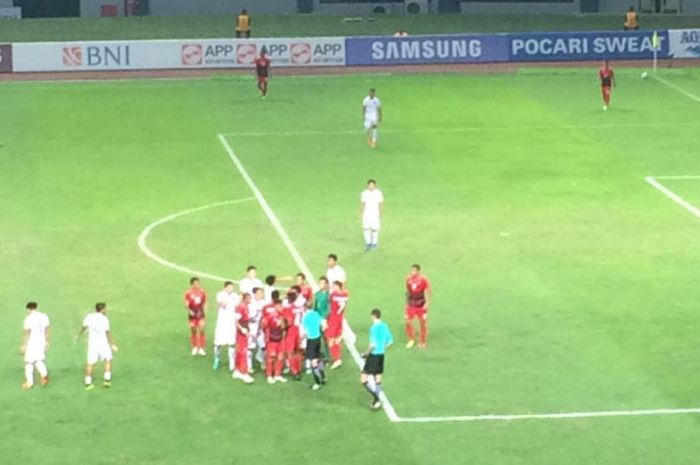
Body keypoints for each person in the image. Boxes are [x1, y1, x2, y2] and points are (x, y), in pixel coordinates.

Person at [76, 303, 118, 390]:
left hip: (92, 344)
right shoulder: (104, 319)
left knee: (90, 362)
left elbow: (84, 327)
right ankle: (107, 380)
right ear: (102, 309)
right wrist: (112, 344)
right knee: (108, 359)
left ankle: (88, 383)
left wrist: (78, 335)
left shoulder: (89, 317)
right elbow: (107, 333)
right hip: (103, 343)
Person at [361, 308, 393, 410]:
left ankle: (377, 399)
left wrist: (366, 353)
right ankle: (378, 399)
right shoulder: (385, 326)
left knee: (363, 379)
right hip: (381, 355)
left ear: (373, 316)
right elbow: (390, 341)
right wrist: (382, 348)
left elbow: (373, 344)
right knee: (378, 379)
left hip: (373, 355)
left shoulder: (374, 328)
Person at [20, 302, 50, 389]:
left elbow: (27, 333)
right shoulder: (44, 316)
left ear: (29, 309)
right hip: (41, 339)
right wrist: (47, 341)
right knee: (38, 359)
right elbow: (47, 328)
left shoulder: (28, 319)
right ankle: (44, 376)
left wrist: (24, 345)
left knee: (29, 362)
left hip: (32, 341)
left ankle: (29, 383)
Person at [213, 281, 239, 371]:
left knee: (232, 344)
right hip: (222, 323)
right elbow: (221, 304)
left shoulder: (235, 296)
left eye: (232, 287)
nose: (231, 289)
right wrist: (229, 301)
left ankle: (232, 363)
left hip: (231, 323)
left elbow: (238, 305)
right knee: (218, 344)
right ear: (225, 288)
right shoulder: (220, 295)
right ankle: (216, 359)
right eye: (229, 287)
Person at [262, 296, 288, 384]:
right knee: (271, 357)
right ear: (275, 306)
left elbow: (285, 327)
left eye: (281, 306)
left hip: (280, 339)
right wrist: (267, 336)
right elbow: (264, 325)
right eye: (279, 306)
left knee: (280, 357)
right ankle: (269, 375)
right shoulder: (270, 316)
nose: (281, 308)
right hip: (272, 339)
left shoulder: (283, 315)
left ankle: (277, 375)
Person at [405, 264, 431, 349]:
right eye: (412, 270)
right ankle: (411, 339)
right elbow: (408, 292)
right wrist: (407, 303)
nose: (413, 272)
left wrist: (427, 302)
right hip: (411, 304)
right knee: (407, 321)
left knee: (422, 323)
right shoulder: (408, 280)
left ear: (418, 271)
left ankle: (422, 342)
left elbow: (426, 291)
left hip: (421, 305)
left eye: (414, 271)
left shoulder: (423, 280)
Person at [301, 304, 326, 390]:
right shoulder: (316, 314)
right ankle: (323, 377)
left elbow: (305, 332)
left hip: (311, 341)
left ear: (305, 308)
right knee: (317, 358)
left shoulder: (305, 318)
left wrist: (301, 339)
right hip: (318, 339)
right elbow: (323, 324)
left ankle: (317, 383)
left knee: (313, 362)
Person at [282, 287, 305, 380]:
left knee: (290, 352)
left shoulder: (288, 309)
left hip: (291, 331)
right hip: (298, 330)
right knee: (298, 351)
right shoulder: (300, 307)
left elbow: (288, 322)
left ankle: (294, 371)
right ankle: (299, 368)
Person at [233, 293, 255, 384]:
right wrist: (242, 329)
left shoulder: (245, 307)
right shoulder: (240, 307)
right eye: (249, 298)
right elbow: (235, 321)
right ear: (245, 299)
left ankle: (237, 370)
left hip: (245, 331)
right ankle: (244, 373)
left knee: (239, 351)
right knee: (243, 352)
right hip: (241, 333)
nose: (251, 300)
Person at [327, 281, 349, 369]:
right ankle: (337, 357)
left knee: (330, 340)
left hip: (333, 319)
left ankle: (337, 359)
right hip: (340, 318)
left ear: (337, 286)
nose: (333, 287)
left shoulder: (333, 295)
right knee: (336, 339)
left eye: (334, 286)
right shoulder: (346, 295)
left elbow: (329, 303)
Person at [184, 277, 207, 356]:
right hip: (192, 313)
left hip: (200, 313)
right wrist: (190, 311)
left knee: (202, 329)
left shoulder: (202, 292)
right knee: (193, 330)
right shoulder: (188, 293)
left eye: (198, 283)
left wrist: (205, 312)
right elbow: (186, 304)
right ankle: (195, 347)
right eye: (195, 284)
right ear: (192, 285)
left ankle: (201, 347)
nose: (197, 285)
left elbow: (204, 302)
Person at [360, 179, 384, 251]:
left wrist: (380, 212)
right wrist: (361, 212)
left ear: (375, 185)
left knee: (375, 229)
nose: (371, 186)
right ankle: (368, 243)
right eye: (369, 185)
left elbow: (381, 203)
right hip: (366, 214)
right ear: (367, 185)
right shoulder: (364, 193)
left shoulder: (378, 193)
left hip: (375, 214)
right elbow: (362, 203)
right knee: (366, 228)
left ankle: (374, 243)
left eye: (372, 185)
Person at [247, 287, 267, 372]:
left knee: (263, 346)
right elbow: (247, 316)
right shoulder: (250, 304)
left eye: (261, 293)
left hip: (261, 328)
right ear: (255, 294)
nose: (261, 295)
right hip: (251, 328)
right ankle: (249, 366)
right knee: (250, 347)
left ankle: (260, 358)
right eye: (259, 293)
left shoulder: (264, 303)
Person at [313, 277, 331, 361]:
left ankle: (328, 356)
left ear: (326, 284)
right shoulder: (317, 294)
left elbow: (329, 308)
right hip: (317, 318)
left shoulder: (328, 295)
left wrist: (324, 318)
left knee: (325, 338)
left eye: (323, 283)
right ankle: (318, 354)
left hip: (325, 319)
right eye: (320, 283)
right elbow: (315, 307)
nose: (321, 285)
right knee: (317, 338)